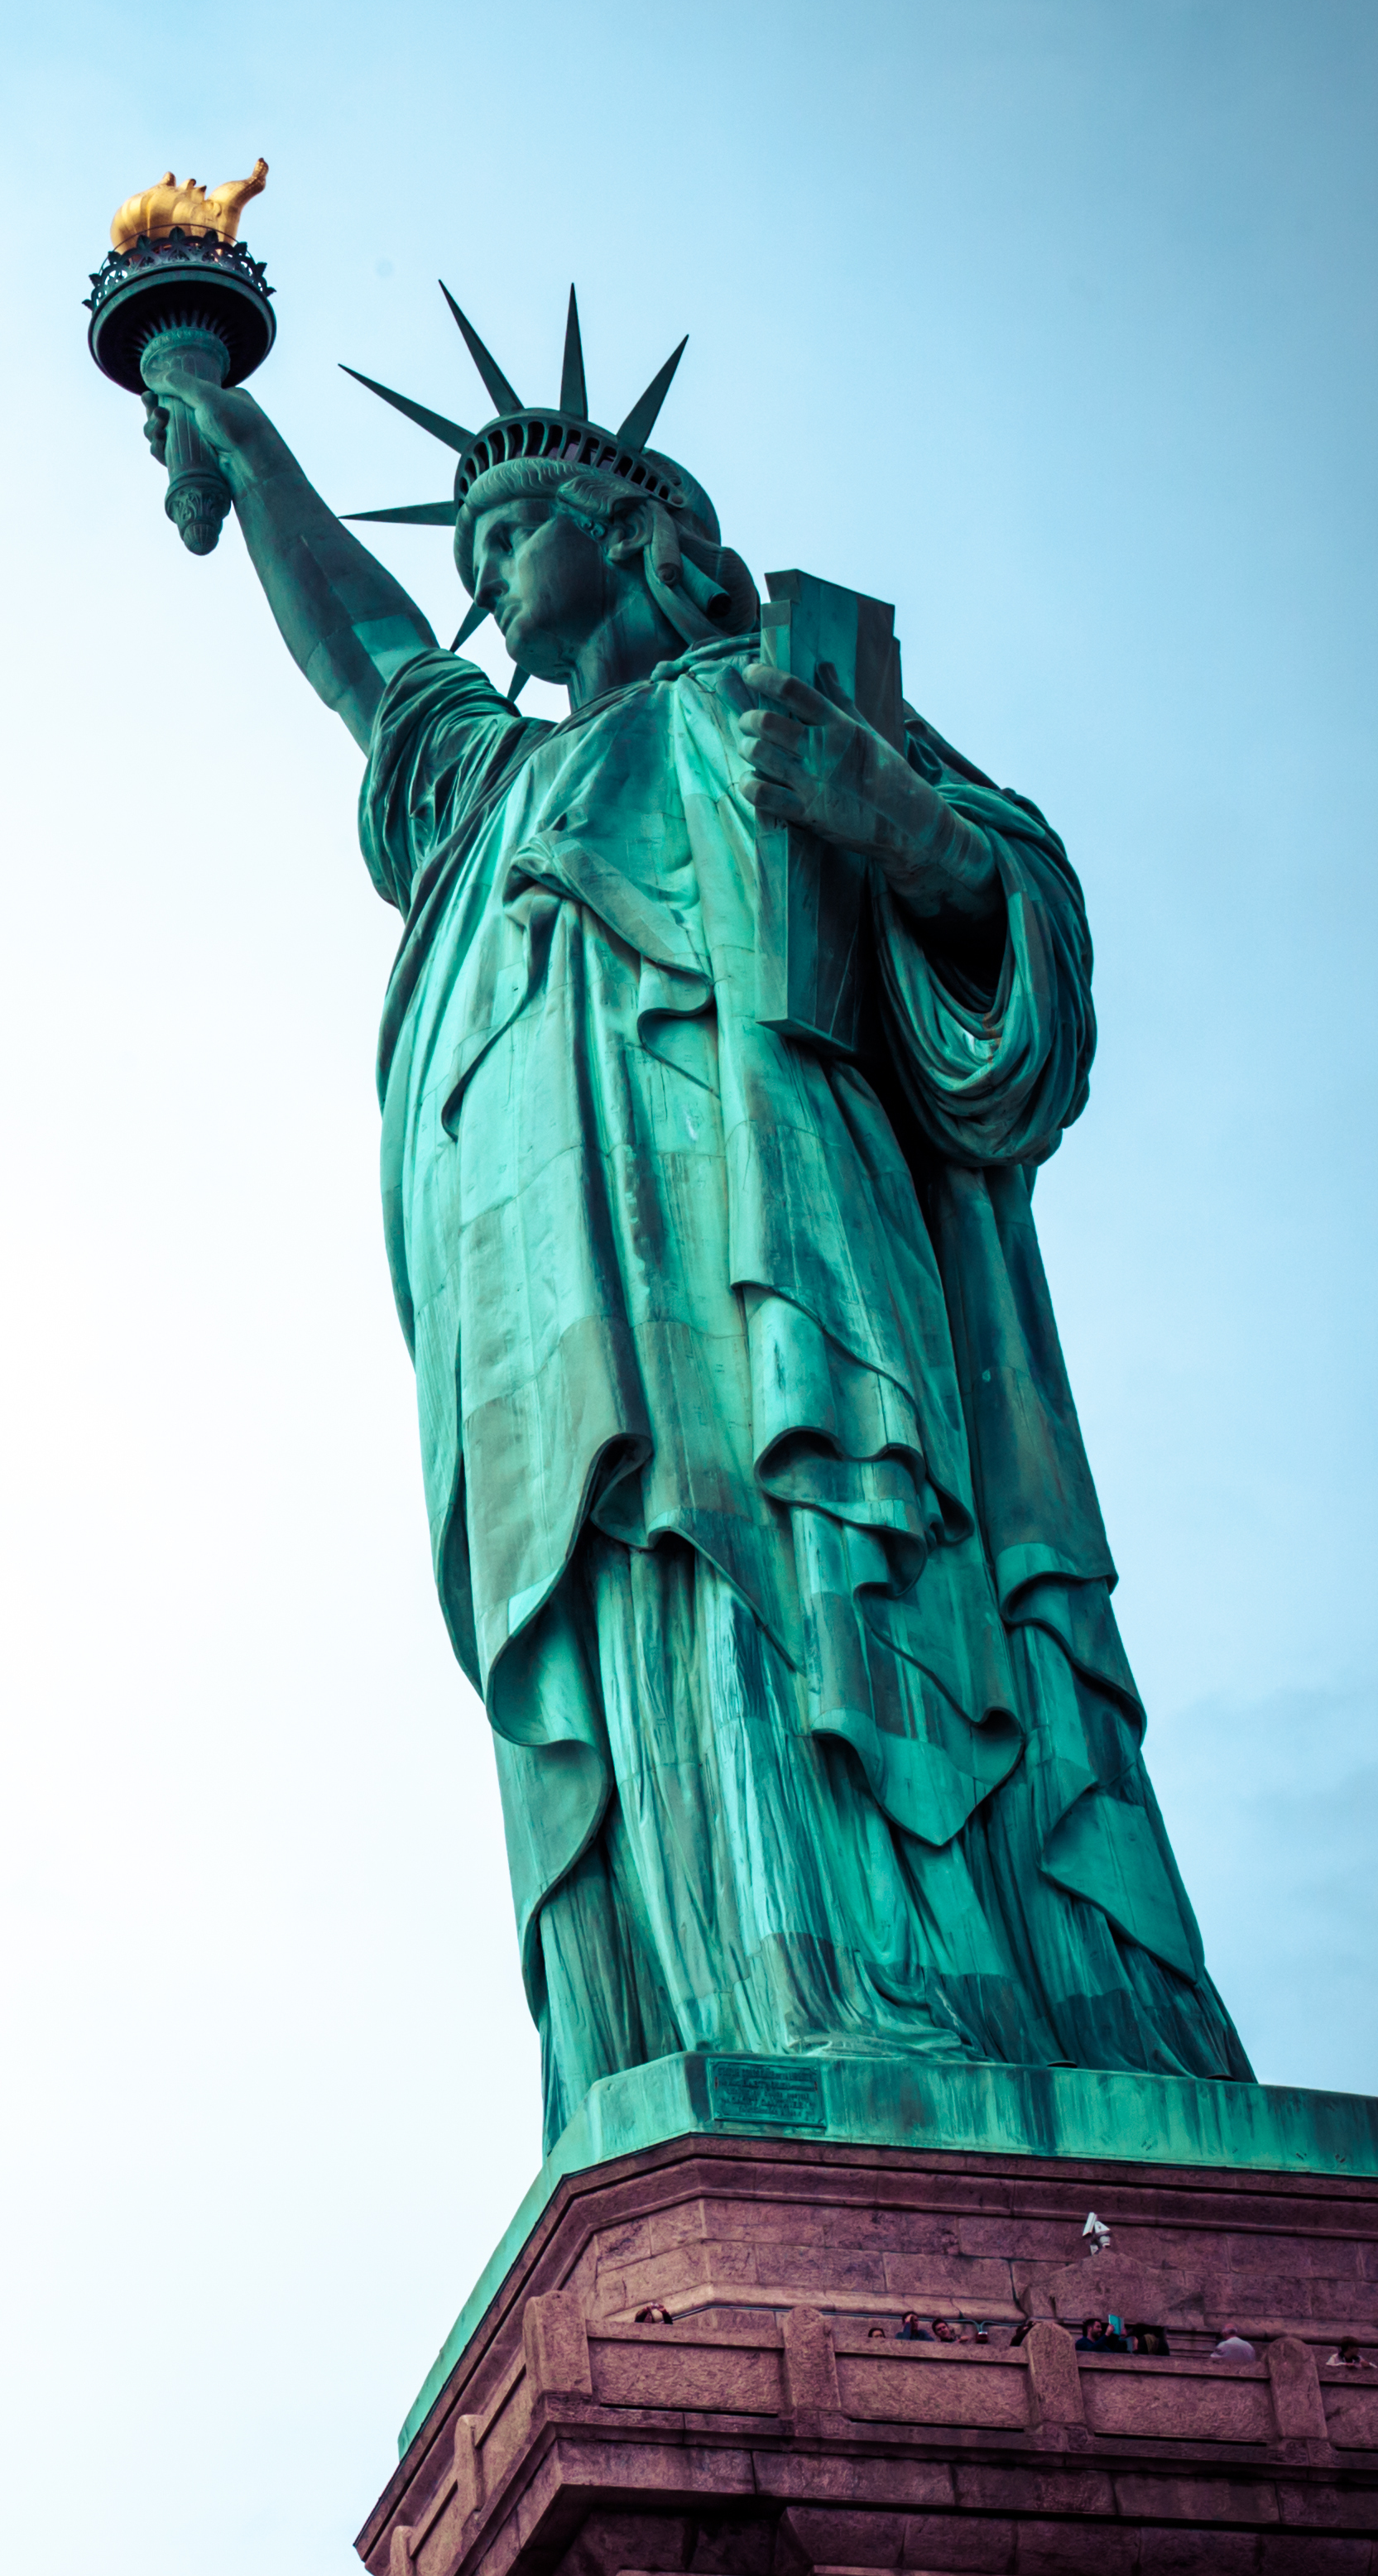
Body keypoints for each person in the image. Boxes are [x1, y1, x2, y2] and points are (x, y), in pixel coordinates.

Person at [131, 308, 1258, 2143]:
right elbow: (376, 664)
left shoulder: (768, 704)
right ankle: (712, 2024)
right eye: (475, 543)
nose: (489, 568)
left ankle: (931, 2009)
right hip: (556, 1327)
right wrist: (227, 429)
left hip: (789, 1273)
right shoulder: (490, 795)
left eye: (521, 525)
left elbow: (1015, 952)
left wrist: (898, 827)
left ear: (643, 528)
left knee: (826, 1585)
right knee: (655, 1672)